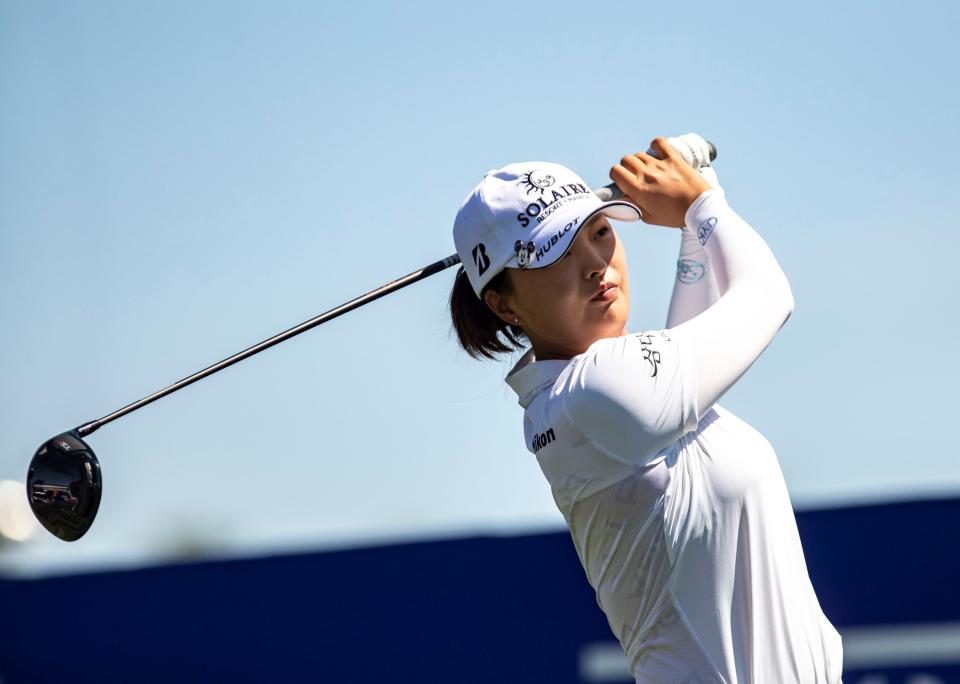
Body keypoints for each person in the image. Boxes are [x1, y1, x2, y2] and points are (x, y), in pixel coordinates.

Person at [448, 136, 843, 684]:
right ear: (503, 303)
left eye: (601, 232)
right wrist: (701, 207)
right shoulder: (596, 392)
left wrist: (699, 209)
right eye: (556, 253)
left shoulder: (591, 393)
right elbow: (767, 296)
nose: (595, 264)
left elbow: (693, 332)